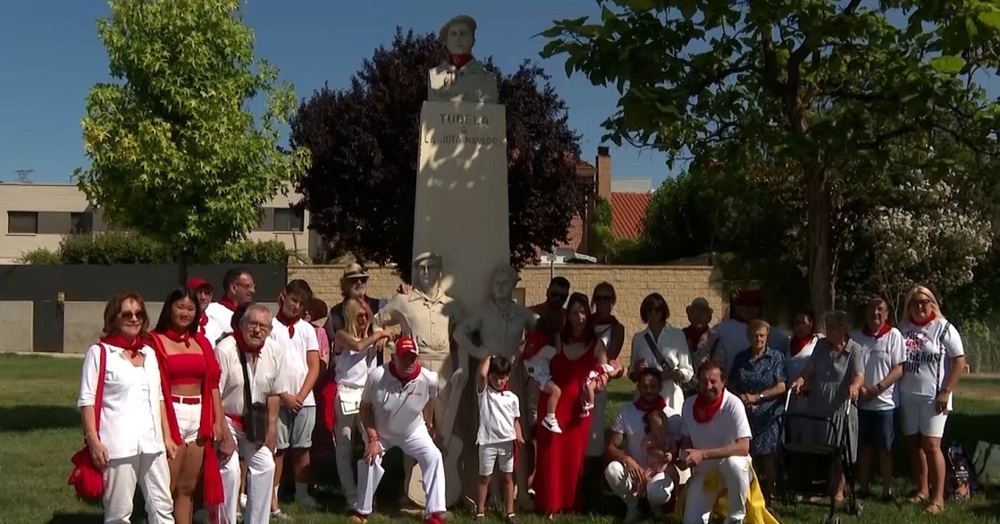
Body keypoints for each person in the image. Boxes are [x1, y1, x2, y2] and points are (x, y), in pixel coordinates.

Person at [77, 293, 175, 524]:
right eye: (127, 314)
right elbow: (87, 400)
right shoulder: (100, 353)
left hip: (153, 444)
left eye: (139, 314)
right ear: (114, 318)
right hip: (118, 446)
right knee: (119, 514)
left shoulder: (149, 353)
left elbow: (158, 396)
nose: (134, 319)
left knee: (163, 507)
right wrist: (93, 440)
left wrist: (167, 436)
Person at [150, 287, 232, 524]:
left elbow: (213, 383)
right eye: (180, 307)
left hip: (198, 416)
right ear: (169, 309)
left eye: (190, 308)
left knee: (187, 487)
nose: (185, 313)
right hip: (170, 414)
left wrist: (218, 420)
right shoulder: (154, 341)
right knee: (166, 486)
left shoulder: (202, 342)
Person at [350, 337, 446, 524]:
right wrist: (372, 438)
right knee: (371, 459)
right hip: (381, 431)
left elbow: (430, 399)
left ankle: (434, 513)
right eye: (404, 357)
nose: (409, 362)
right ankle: (362, 511)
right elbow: (365, 407)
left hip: (412, 430)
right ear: (394, 357)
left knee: (434, 456)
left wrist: (428, 424)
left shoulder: (429, 378)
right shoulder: (377, 376)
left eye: (412, 357)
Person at [533, 292, 610, 518]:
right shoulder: (557, 339)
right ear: (568, 316)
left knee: (573, 457)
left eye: (584, 312)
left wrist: (595, 384)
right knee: (550, 455)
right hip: (552, 407)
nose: (579, 317)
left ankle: (569, 502)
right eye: (575, 312)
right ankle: (549, 504)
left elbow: (604, 373)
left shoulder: (596, 344)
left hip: (579, 409)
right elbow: (537, 363)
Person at [896, 285, 967, 514]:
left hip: (934, 397)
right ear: (909, 306)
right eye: (915, 302)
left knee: (931, 445)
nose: (920, 306)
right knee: (914, 444)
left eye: (924, 302)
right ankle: (921, 489)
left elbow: (958, 361)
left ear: (932, 303)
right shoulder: (902, 328)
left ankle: (938, 498)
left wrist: (946, 391)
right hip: (908, 394)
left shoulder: (943, 328)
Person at [216, 304, 286, 524]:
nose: (257, 330)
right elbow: (214, 394)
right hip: (226, 417)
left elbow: (274, 393)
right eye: (253, 324)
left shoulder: (274, 350)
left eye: (263, 326)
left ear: (270, 329)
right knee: (230, 470)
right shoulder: (225, 349)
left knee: (266, 465)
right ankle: (224, 520)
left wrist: (272, 428)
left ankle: (256, 521)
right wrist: (224, 434)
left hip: (256, 421)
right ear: (242, 324)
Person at [789, 310, 864, 503]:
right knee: (820, 451)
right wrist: (800, 379)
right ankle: (819, 488)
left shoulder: (854, 349)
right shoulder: (821, 346)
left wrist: (855, 385)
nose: (827, 331)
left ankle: (838, 490)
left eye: (831, 327)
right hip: (818, 406)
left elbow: (859, 375)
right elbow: (810, 368)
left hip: (840, 407)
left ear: (843, 328)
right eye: (826, 327)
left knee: (841, 451)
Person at [677, 361, 755, 524]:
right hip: (705, 474)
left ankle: (735, 518)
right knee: (691, 521)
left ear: (723, 381)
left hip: (733, 471)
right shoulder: (689, 404)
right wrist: (684, 455)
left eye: (713, 381)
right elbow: (687, 441)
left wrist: (704, 453)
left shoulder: (733, 404)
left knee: (734, 463)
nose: (708, 386)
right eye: (704, 381)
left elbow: (743, 447)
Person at [269, 280, 322, 516]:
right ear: (283, 296)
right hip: (278, 399)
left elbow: (314, 366)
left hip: (305, 400)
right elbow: (266, 367)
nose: (296, 306)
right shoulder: (269, 326)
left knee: (302, 448)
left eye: (301, 304)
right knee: (277, 450)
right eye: (293, 300)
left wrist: (301, 395)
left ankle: (303, 493)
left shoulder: (307, 330)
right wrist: (284, 396)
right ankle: (273, 496)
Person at [605, 367, 684, 523]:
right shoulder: (626, 412)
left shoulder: (672, 416)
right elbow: (611, 447)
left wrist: (667, 457)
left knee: (659, 493)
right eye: (645, 386)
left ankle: (654, 505)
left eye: (653, 386)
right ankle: (633, 506)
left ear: (660, 387)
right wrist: (627, 460)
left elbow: (678, 451)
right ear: (638, 387)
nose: (649, 391)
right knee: (612, 470)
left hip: (658, 470)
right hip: (634, 469)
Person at [332, 297, 390, 511]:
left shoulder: (374, 337)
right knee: (345, 445)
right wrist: (379, 334)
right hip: (346, 393)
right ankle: (350, 494)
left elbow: (392, 337)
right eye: (359, 315)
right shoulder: (341, 336)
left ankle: (367, 494)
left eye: (367, 315)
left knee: (372, 443)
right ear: (350, 315)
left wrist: (387, 334)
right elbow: (356, 346)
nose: (364, 319)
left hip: (367, 396)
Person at [726, 319, 786, 502]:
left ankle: (771, 491)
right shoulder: (740, 358)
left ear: (767, 337)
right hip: (743, 412)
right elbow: (730, 383)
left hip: (768, 412)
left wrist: (757, 397)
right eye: (754, 335)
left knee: (769, 454)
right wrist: (741, 397)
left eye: (762, 335)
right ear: (748, 336)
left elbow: (782, 386)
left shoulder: (776, 357)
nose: (758, 338)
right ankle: (745, 491)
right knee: (744, 453)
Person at [851, 296, 905, 500]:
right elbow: (852, 366)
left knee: (886, 449)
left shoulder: (894, 335)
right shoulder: (856, 336)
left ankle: (886, 490)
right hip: (862, 403)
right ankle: (863, 488)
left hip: (886, 405)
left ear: (887, 313)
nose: (876, 313)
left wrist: (877, 389)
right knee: (863, 447)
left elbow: (899, 368)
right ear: (866, 312)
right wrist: (862, 389)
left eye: (880, 309)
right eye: (872, 308)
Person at [474, 355, 523, 521]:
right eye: (494, 378)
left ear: (508, 377)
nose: (498, 382)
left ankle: (510, 511)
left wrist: (519, 435)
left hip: (506, 443)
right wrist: (489, 357)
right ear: (490, 376)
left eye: (502, 378)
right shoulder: (485, 393)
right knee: (484, 477)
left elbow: (515, 420)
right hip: (487, 442)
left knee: (508, 477)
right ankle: (480, 511)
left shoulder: (512, 398)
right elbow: (481, 375)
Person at [629, 292, 694, 410]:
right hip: (645, 394)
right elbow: (632, 374)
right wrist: (637, 370)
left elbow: (688, 370)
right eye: (649, 310)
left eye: (657, 310)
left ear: (663, 312)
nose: (653, 314)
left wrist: (676, 374)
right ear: (645, 312)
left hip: (670, 394)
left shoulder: (677, 335)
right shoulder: (639, 338)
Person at [521, 327, 563, 433]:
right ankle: (550, 418)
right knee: (556, 391)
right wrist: (557, 334)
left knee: (533, 415)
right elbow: (558, 351)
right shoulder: (545, 348)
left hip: (531, 378)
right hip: (541, 377)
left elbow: (520, 354)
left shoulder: (528, 343)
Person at [204, 268, 255, 347]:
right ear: (233, 288)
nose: (253, 291)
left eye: (253, 286)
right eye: (248, 286)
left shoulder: (254, 314)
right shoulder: (210, 311)